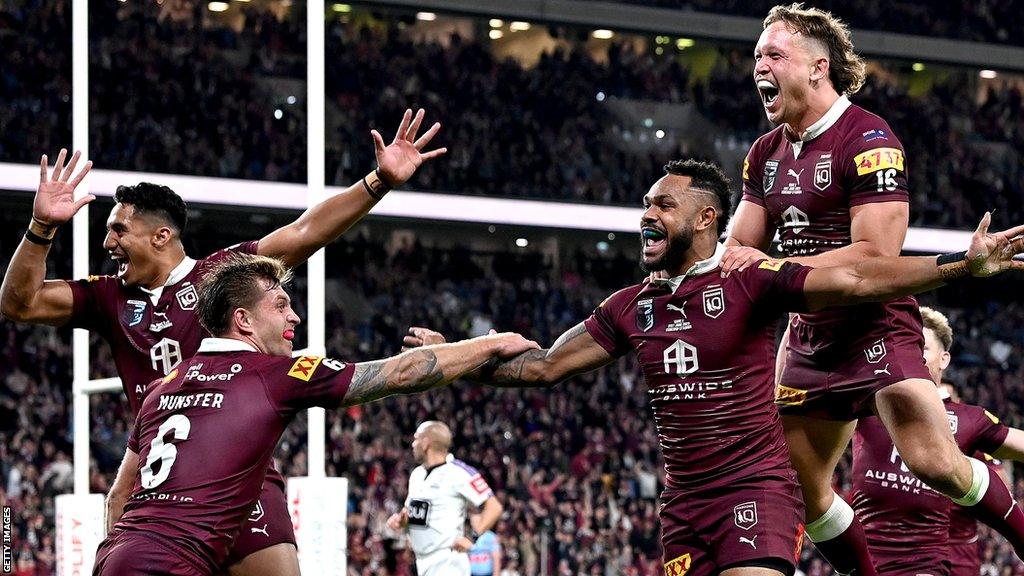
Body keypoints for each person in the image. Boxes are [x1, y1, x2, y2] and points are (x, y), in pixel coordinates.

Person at [403, 158, 1024, 576]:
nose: (648, 214)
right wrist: (455, 357)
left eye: (664, 205)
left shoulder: (750, 281)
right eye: (647, 202)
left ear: (705, 220)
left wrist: (958, 264)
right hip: (683, 504)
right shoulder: (630, 306)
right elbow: (541, 368)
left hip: (754, 492)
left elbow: (859, 276)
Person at [0, 109, 446, 575]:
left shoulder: (221, 275)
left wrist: (379, 181)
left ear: (161, 235)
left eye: (118, 229)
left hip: (238, 474)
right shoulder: (107, 297)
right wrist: (40, 228)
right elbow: (19, 303)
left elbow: (304, 232)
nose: (107, 240)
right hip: (162, 483)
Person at [722, 4, 1024, 572]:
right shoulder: (764, 154)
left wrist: (777, 268)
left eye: (773, 54)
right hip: (810, 338)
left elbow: (871, 262)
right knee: (801, 487)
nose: (759, 66)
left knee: (935, 462)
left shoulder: (868, 137)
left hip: (875, 328)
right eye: (756, 56)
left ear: (818, 67)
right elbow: (740, 255)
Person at [91, 253, 538, 575]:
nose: (296, 317)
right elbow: (398, 374)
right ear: (243, 321)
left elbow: (117, 497)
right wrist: (490, 344)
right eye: (281, 305)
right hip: (173, 563)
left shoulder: (160, 387)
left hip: (117, 556)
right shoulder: (276, 373)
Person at [850, 306, 1024, 575]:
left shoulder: (970, 419)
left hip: (928, 563)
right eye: (906, 344)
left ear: (944, 359)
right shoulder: (866, 400)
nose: (912, 353)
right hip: (863, 563)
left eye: (922, 346)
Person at [386, 421, 504, 576]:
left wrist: (471, 538)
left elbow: (494, 507)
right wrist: (400, 520)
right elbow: (412, 513)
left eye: (416, 439)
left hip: (448, 562)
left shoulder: (458, 472)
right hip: (423, 561)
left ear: (426, 442)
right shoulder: (417, 474)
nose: (413, 444)